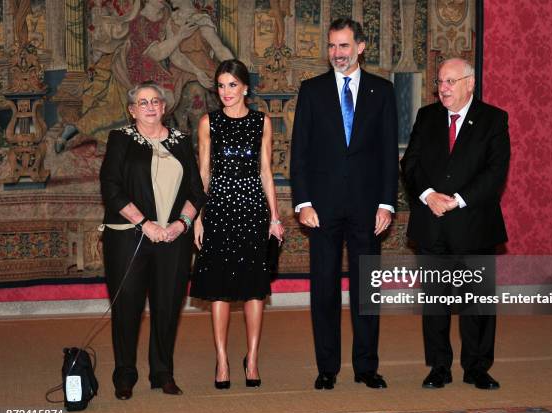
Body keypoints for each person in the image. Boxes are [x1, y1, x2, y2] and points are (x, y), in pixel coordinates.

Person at [290, 18, 398, 390]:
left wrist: (387, 204)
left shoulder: (382, 91)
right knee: (324, 288)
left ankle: (367, 367)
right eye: (332, 47)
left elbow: (388, 154)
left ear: (360, 47)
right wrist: (302, 202)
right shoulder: (312, 91)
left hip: (369, 209)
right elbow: (299, 152)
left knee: (367, 288)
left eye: (344, 46)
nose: (337, 54)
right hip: (321, 209)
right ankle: (327, 368)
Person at [400, 58, 510, 390]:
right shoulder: (427, 116)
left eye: (450, 82)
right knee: (435, 301)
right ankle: (439, 367)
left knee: (478, 303)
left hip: (474, 225)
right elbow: (411, 164)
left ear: (470, 83)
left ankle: (477, 367)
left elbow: (495, 173)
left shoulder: (493, 119)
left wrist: (458, 199)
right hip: (432, 225)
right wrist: (429, 194)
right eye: (440, 82)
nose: (443, 88)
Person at [99, 81, 205, 400]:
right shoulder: (120, 140)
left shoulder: (182, 141)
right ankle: (125, 375)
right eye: (142, 102)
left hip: (174, 239)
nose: (149, 107)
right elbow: (111, 188)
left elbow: (196, 191)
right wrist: (145, 224)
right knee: (128, 307)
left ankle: (163, 373)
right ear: (132, 111)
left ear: (164, 107)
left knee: (168, 306)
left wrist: (181, 224)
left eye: (155, 101)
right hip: (128, 238)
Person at [190, 59, 284, 389]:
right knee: (218, 289)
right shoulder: (208, 122)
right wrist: (198, 217)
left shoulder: (262, 122)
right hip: (218, 210)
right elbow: (203, 174)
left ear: (245, 87)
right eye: (221, 85)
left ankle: (253, 358)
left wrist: (274, 217)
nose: (226, 91)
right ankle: (221, 359)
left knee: (254, 289)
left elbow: (266, 172)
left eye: (232, 84)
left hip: (253, 212)